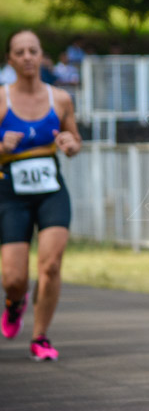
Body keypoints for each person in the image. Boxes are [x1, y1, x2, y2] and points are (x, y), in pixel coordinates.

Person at [0, 29, 82, 361]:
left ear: (41, 54)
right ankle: (14, 301)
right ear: (11, 60)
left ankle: (40, 337)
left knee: (50, 265)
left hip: (51, 190)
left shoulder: (60, 99)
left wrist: (70, 145)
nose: (27, 57)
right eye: (20, 52)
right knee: (14, 278)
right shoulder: (1, 99)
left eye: (33, 51)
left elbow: (75, 140)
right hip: (10, 192)